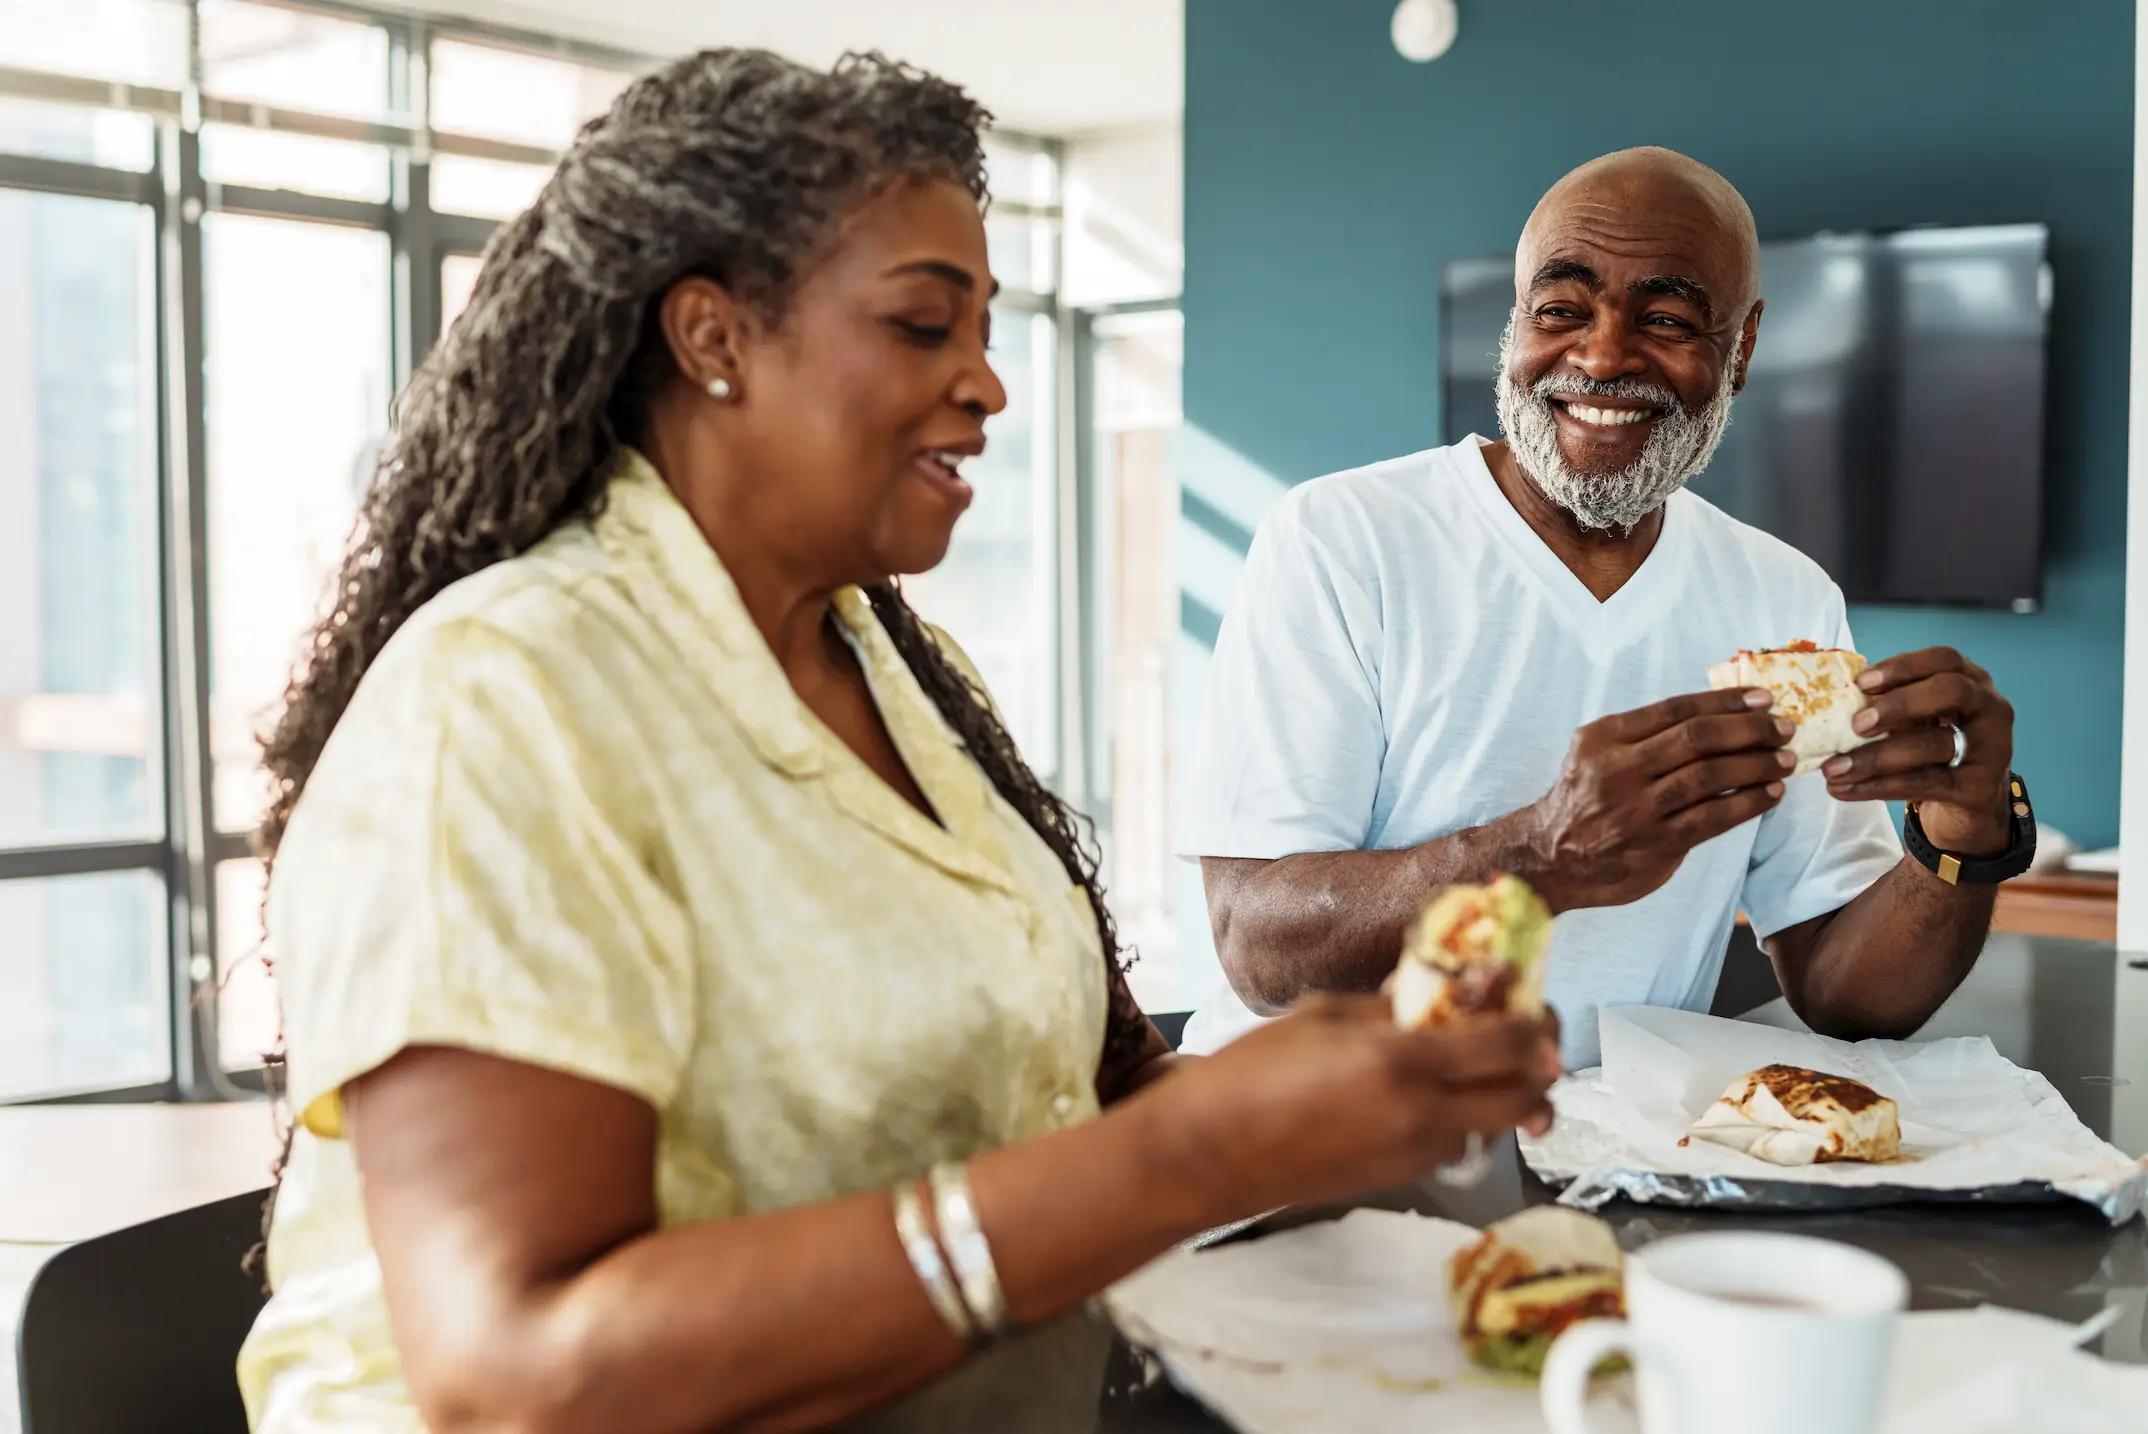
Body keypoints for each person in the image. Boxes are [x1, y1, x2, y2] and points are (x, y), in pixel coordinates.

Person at [234, 49, 1562, 1434]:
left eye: (985, 329)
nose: (988, 384)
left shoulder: (890, 671)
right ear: (714, 337)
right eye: (926, 325)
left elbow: (1063, 1118)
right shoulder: (499, 699)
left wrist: (1349, 1085)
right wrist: (1188, 1154)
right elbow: (518, 1372)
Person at [1180, 147, 2027, 1067]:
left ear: (1739, 349)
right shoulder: (1342, 540)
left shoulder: (1783, 596)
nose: (1603, 354)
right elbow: (1258, 949)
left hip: (1615, 1165)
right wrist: (1538, 854)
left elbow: (1845, 989)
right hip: (1312, 1160)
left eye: (1665, 318)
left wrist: (1958, 837)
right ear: (1515, 329)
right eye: (1560, 310)